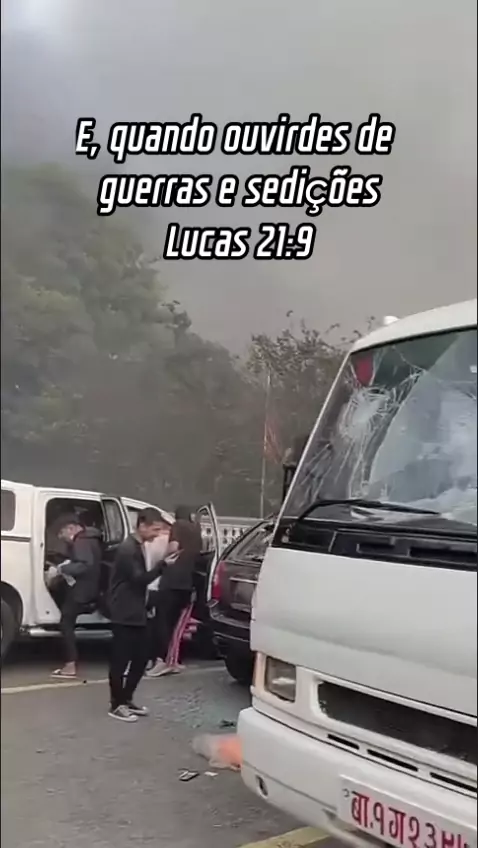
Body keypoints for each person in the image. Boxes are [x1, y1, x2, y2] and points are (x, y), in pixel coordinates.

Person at [107, 507, 167, 722]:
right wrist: (161, 567)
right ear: (142, 526)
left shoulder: (138, 546)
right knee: (120, 660)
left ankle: (126, 698)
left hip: (137, 611)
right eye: (154, 529)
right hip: (124, 611)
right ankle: (116, 704)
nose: (157, 534)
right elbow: (138, 580)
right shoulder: (127, 549)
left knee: (141, 658)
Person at [147, 505, 202, 678]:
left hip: (171, 580)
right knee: (176, 626)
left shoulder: (178, 526)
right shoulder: (196, 530)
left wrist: (162, 560)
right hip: (187, 583)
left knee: (162, 622)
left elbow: (173, 547)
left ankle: (162, 661)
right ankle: (173, 660)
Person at [46, 515, 103, 679]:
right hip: (89, 587)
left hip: (81, 590)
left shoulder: (81, 541)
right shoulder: (91, 538)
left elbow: (84, 564)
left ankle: (70, 665)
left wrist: (62, 569)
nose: (61, 538)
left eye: (61, 533)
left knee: (66, 622)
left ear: (71, 528)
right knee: (67, 620)